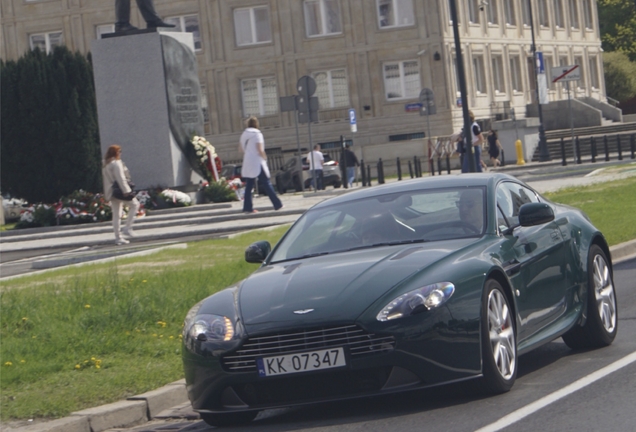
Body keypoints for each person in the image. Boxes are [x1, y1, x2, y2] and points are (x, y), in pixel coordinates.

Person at [239, 116, 283, 213]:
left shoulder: (244, 134)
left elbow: (240, 149)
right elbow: (260, 149)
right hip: (257, 162)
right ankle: (277, 204)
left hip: (247, 161)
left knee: (249, 185)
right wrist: (264, 157)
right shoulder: (257, 134)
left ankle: (247, 207)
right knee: (266, 183)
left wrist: (248, 153)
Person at [102, 145, 140, 245]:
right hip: (120, 190)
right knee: (135, 205)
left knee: (116, 215)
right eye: (120, 151)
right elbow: (121, 178)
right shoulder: (116, 163)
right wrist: (126, 190)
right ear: (116, 152)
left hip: (111, 191)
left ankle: (118, 237)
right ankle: (127, 227)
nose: (121, 153)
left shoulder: (106, 163)